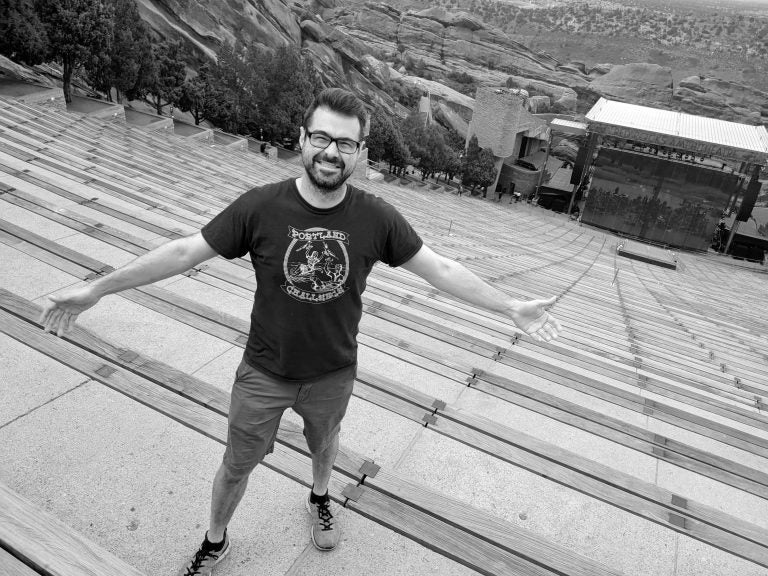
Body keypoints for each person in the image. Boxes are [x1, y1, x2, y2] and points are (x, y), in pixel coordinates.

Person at [39, 88, 562, 576]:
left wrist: (510, 305)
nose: (331, 152)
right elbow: (182, 252)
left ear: (360, 152)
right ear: (302, 139)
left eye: (345, 143)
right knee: (235, 465)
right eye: (322, 138)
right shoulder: (260, 206)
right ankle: (215, 539)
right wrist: (99, 288)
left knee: (325, 443)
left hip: (333, 373)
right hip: (264, 372)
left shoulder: (379, 218)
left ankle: (319, 496)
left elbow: (441, 269)